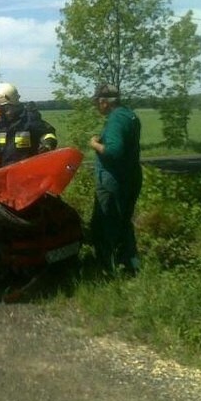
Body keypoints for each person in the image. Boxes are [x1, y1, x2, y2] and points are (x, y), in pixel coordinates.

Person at [88, 83, 142, 274]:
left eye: (97, 102)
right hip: (131, 176)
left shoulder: (116, 120)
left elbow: (113, 151)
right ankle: (130, 264)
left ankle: (106, 268)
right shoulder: (129, 115)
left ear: (104, 102)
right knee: (123, 222)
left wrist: (94, 144)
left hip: (113, 181)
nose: (97, 106)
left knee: (106, 223)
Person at [0, 83, 57, 167]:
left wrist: (47, 145)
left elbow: (48, 134)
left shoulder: (28, 119)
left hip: (30, 172)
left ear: (6, 105)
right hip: (8, 171)